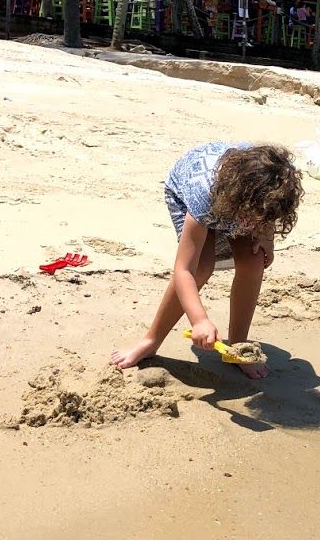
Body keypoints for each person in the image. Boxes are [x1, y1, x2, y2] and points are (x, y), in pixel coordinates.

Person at [111, 143, 304, 379]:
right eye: (252, 220)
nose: (253, 226)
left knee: (253, 262)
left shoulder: (279, 182)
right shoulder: (203, 194)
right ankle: (151, 340)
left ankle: (238, 347)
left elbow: (267, 210)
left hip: (244, 197)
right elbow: (184, 270)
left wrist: (266, 236)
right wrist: (199, 320)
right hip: (191, 194)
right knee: (201, 266)